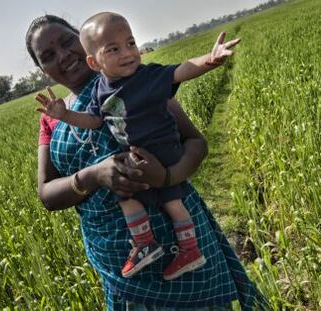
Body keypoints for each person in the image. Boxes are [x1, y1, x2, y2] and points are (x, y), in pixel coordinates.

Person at [26, 14, 267, 311]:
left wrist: (166, 177)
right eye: (48, 56)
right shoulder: (54, 116)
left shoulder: (135, 80)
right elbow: (47, 194)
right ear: (42, 69)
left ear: (83, 40)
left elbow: (195, 142)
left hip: (178, 241)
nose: (62, 56)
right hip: (119, 261)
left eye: (66, 42)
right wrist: (93, 176)